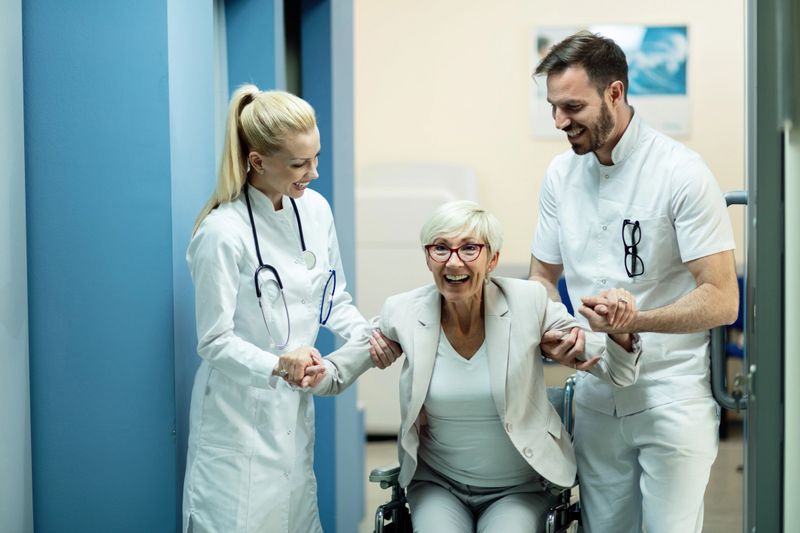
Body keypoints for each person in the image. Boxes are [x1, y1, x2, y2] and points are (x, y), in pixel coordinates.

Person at [299, 201, 641, 533]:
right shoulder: (403, 312)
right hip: (438, 486)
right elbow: (334, 374)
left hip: (519, 488)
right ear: (428, 258)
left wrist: (619, 332)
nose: (453, 261)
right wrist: (308, 367)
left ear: (493, 259)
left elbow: (619, 371)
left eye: (469, 249)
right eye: (441, 248)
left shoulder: (529, 303)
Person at [528, 31, 739, 533]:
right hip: (596, 399)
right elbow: (541, 276)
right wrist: (550, 329)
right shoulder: (560, 176)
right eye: (554, 107)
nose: (560, 121)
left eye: (572, 107)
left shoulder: (680, 172)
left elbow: (722, 297)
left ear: (615, 93)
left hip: (670, 396)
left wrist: (635, 321)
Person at [182, 85, 400, 533]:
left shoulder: (315, 210)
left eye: (316, 158)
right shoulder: (222, 233)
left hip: (293, 410)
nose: (314, 173)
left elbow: (331, 298)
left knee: (295, 517)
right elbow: (214, 340)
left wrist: (368, 337)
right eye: (300, 164)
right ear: (257, 161)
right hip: (235, 417)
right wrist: (278, 364)